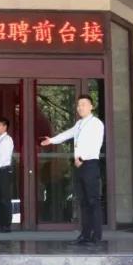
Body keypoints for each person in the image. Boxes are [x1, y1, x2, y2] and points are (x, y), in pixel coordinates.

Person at [41, 94, 105, 246]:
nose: (80, 107)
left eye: (83, 104)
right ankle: (85, 235)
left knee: (93, 201)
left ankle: (96, 237)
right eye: (78, 105)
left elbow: (95, 144)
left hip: (89, 164)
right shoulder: (79, 124)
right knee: (83, 202)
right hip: (79, 166)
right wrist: (51, 140)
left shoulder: (96, 123)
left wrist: (82, 158)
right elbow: (67, 134)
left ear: (91, 106)